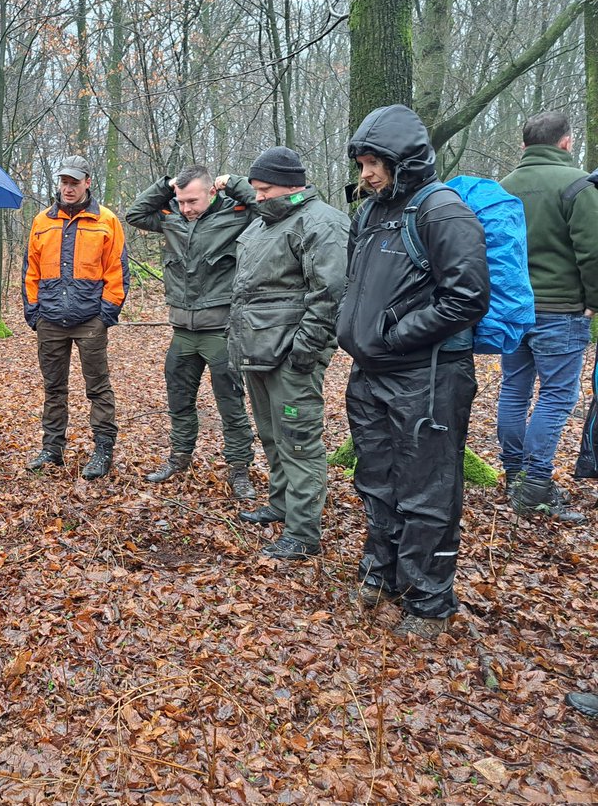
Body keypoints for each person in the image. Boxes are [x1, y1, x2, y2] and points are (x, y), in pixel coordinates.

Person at [338, 104, 490, 639]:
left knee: (427, 489)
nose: (366, 173)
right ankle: (381, 575)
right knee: (376, 479)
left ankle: (429, 600)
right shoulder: (371, 212)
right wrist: (357, 333)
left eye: (375, 163)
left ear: (404, 159)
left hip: (428, 376)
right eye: (361, 163)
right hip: (371, 374)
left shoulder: (442, 211)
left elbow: (466, 298)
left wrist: (393, 335)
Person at [223, 147, 348, 559]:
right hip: (256, 351)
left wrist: (305, 350)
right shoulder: (263, 223)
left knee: (299, 443)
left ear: (292, 185)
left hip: (292, 358)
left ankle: (303, 532)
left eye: (264, 189)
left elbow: (329, 293)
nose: (257, 196)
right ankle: (281, 504)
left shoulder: (321, 222)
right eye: (255, 189)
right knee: (272, 436)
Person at [126, 166, 257, 498]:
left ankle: (239, 468)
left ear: (212, 192)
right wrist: (165, 187)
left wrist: (235, 183)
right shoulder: (171, 217)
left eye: (192, 201)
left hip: (220, 331)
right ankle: (179, 457)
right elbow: (136, 214)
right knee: (179, 401)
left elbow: (264, 208)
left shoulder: (235, 214)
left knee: (231, 404)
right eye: (181, 201)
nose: (186, 208)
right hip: (182, 330)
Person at [497, 112, 598, 523]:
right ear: (566, 143)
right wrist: (594, 300)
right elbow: (592, 251)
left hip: (513, 311)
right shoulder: (577, 187)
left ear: (524, 145)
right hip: (561, 310)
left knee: (514, 391)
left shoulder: (502, 188)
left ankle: (514, 474)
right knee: (557, 396)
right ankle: (535, 484)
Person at [24, 155, 129, 479]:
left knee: (98, 388)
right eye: (64, 182)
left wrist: (106, 314)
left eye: (74, 182)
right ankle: (52, 449)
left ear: (87, 182)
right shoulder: (42, 221)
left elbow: (118, 272)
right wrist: (34, 312)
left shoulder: (106, 220)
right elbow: (31, 270)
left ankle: (103, 449)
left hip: (89, 321)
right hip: (50, 320)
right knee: (54, 387)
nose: (68, 188)